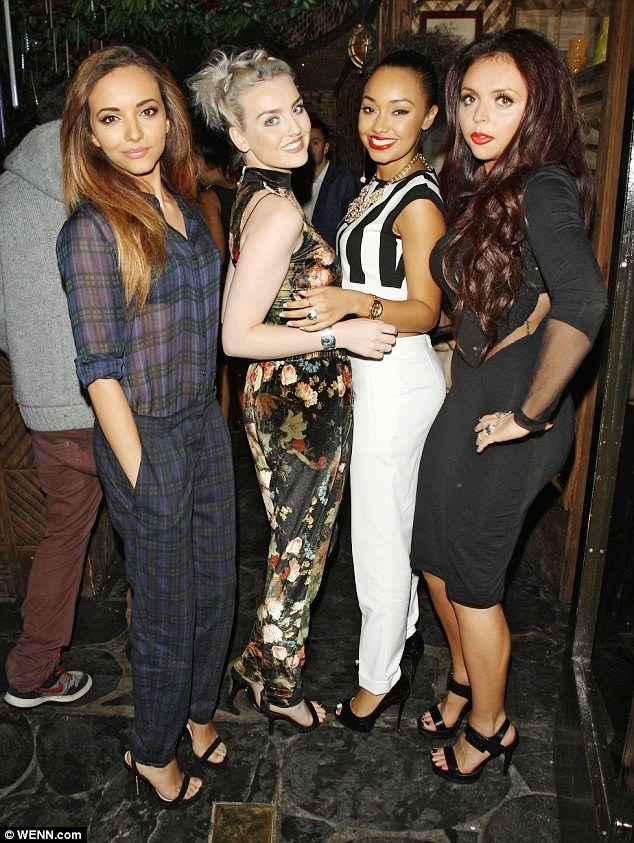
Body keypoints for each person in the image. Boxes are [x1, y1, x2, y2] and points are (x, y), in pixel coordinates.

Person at [410, 29, 607, 783]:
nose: (479, 116)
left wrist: (529, 412)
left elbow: (585, 298)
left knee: (472, 579)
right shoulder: (490, 183)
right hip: (472, 397)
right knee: (433, 556)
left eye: (503, 100)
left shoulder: (542, 184)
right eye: (469, 99)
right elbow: (521, 292)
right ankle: (465, 681)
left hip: (512, 417)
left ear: (540, 107)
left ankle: (491, 727)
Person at [188, 48, 397, 734]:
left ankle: (261, 659)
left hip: (283, 394)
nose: (294, 127)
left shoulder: (259, 193)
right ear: (239, 134)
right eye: (270, 119)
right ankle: (277, 684)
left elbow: (253, 306)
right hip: (297, 403)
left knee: (294, 540)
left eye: (297, 109)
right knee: (301, 549)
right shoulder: (277, 209)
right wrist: (342, 333)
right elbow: (236, 334)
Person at [57, 45, 236, 807]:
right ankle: (152, 750)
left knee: (216, 589)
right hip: (145, 435)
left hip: (203, 426)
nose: (132, 132)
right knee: (166, 609)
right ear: (89, 133)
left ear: (170, 118)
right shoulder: (92, 229)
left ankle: (198, 710)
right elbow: (99, 370)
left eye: (147, 111)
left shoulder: (191, 211)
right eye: (110, 118)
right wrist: (139, 471)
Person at [282, 49, 447, 732]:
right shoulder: (376, 184)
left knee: (378, 538)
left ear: (429, 116)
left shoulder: (418, 200)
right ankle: (399, 642)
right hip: (373, 373)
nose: (380, 124)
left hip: (398, 377)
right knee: (384, 526)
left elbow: (428, 310)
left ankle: (378, 682)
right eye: (370, 108)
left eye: (400, 111)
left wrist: (352, 301)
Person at [1, 89, 102, 709]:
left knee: (63, 536)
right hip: (107, 399)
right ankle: (161, 659)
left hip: (41, 404)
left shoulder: (3, 195)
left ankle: (31, 669)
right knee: (158, 532)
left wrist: (33, 356)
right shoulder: (94, 190)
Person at [300, 114, 361, 248]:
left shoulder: (345, 181)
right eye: (306, 143)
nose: (310, 148)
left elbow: (355, 230)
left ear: (326, 148)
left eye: (315, 142)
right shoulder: (297, 181)